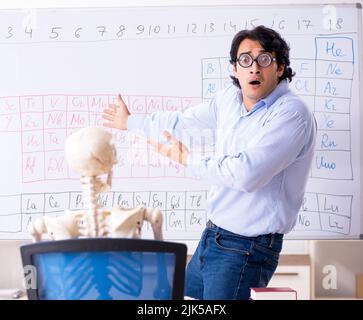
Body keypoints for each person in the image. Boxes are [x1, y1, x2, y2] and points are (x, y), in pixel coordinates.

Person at [102, 25, 317, 300]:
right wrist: (130, 122)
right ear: (235, 68)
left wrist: (186, 159)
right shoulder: (229, 100)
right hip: (213, 236)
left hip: (246, 248)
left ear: (280, 67)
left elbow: (246, 173)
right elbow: (182, 123)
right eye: (245, 60)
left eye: (264, 59)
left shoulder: (292, 114)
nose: (254, 68)